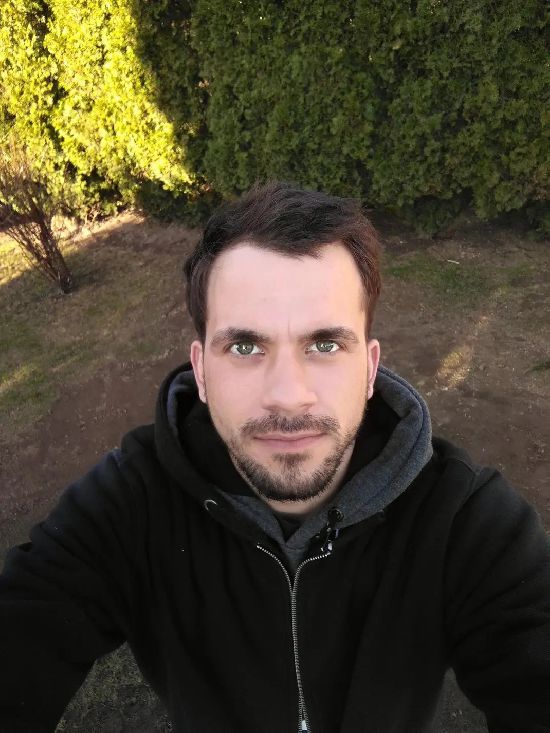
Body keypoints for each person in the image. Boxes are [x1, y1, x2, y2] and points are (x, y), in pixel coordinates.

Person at [1, 182, 549, 733]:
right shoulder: (129, 506)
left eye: (325, 345)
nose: (288, 395)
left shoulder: (464, 521)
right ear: (201, 371)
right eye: (245, 347)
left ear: (369, 368)